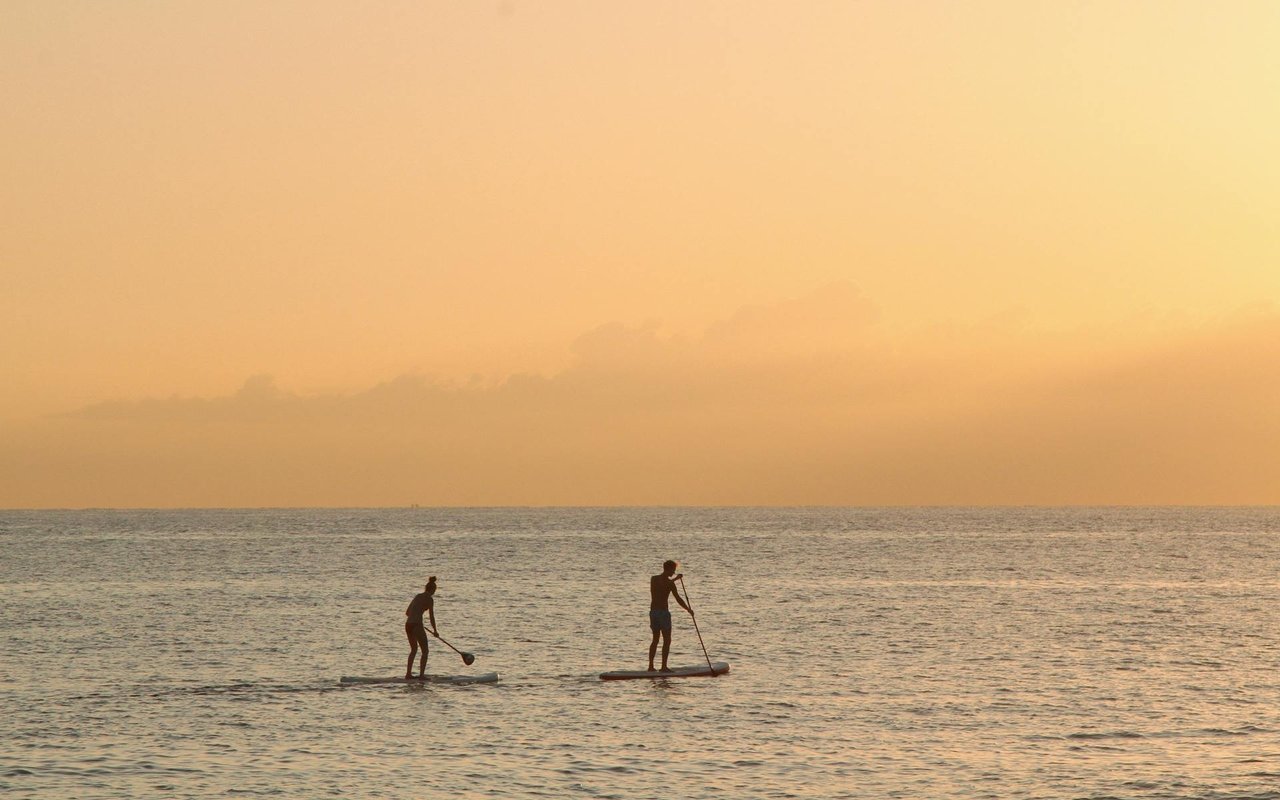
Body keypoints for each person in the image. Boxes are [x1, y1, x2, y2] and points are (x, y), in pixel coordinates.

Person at [649, 559, 692, 672]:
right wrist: (688, 609)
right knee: (667, 640)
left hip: (653, 613)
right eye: (673, 570)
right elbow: (678, 599)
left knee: (655, 640)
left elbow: (664, 583)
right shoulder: (670, 584)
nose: (674, 572)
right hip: (663, 613)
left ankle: (651, 666)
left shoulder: (653, 579)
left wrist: (675, 579)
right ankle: (663, 667)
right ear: (668, 569)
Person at [405, 577, 438, 679]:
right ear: (433, 590)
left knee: (414, 650)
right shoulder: (429, 599)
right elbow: (431, 616)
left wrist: (416, 616)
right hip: (416, 625)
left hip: (408, 625)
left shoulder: (418, 596)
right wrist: (435, 630)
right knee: (425, 651)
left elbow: (407, 613)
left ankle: (408, 674)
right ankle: (421, 675)